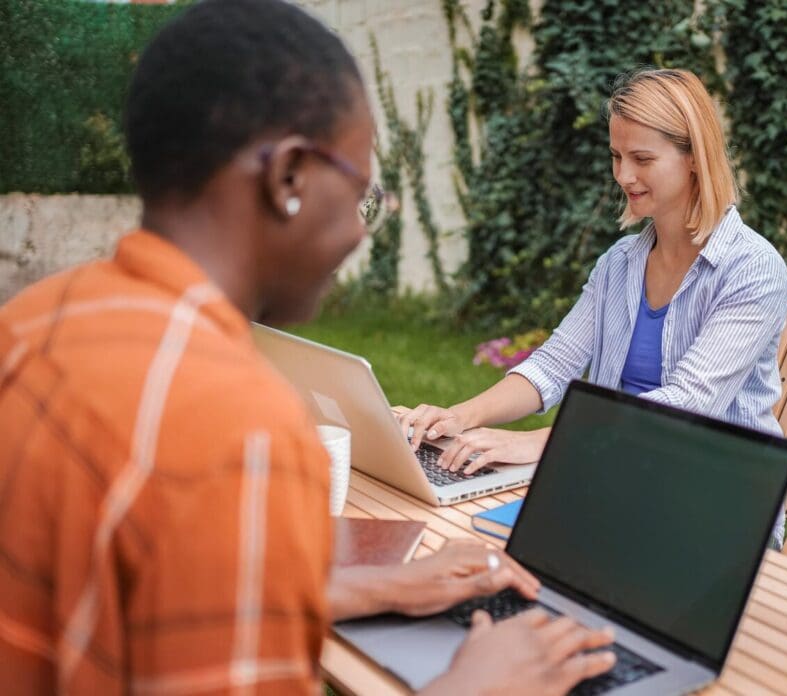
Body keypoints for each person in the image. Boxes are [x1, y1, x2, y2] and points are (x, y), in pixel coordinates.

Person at [0, 1, 616, 693]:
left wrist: (367, 589)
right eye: (361, 191)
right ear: (290, 177)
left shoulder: (33, 320)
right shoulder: (238, 431)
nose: (361, 233)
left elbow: (141, 594)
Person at [399, 68, 787, 548]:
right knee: (460, 524)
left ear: (694, 157)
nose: (623, 175)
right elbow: (553, 364)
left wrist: (543, 446)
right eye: (616, 156)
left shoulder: (752, 270)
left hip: (713, 506)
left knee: (504, 544)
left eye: (642, 158)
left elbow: (687, 404)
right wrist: (460, 416)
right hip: (615, 480)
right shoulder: (620, 264)